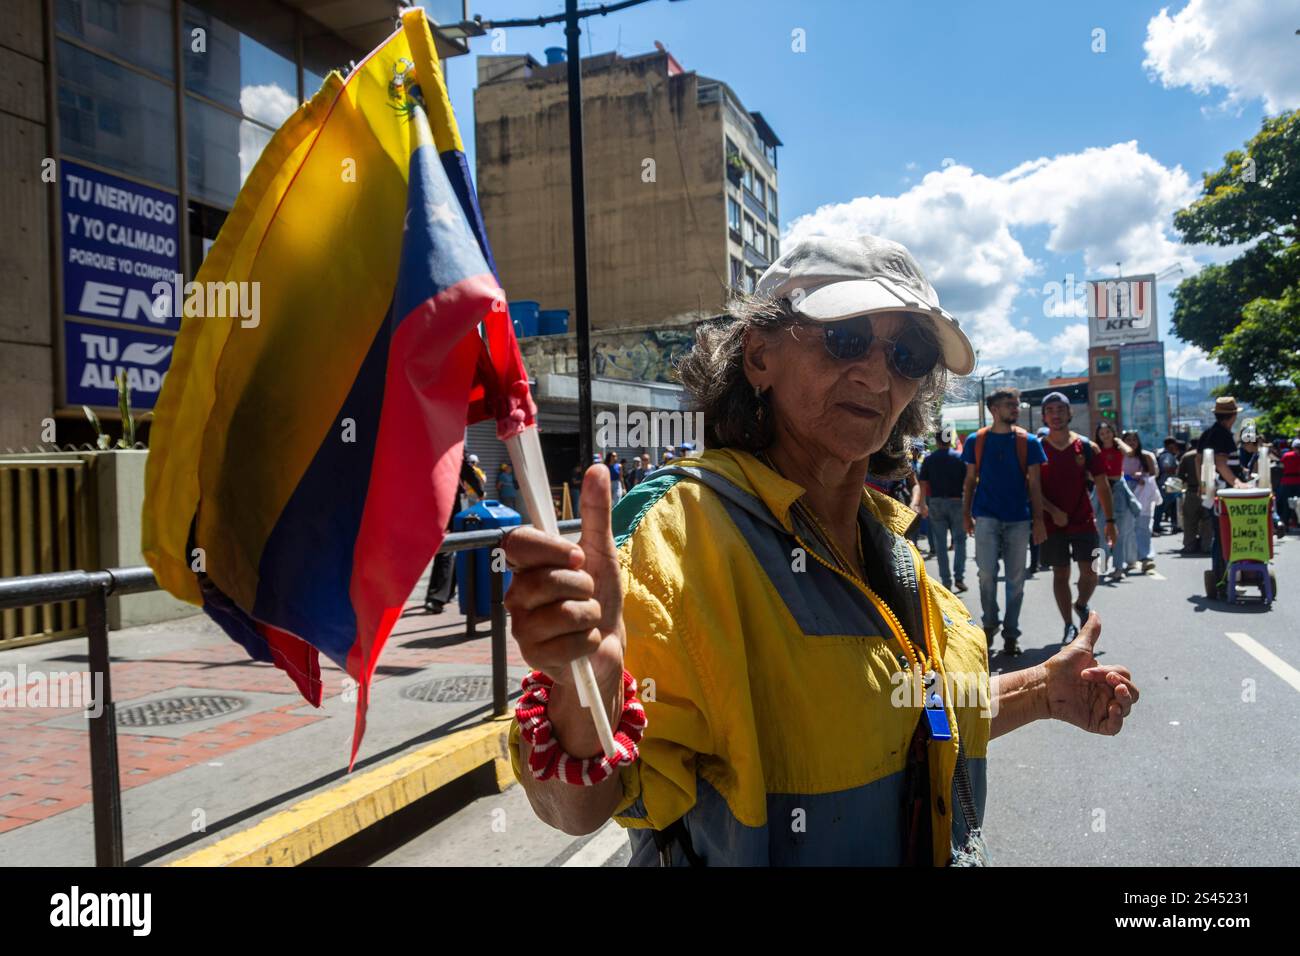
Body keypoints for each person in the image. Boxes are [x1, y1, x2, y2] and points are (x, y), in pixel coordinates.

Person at [501, 233, 1137, 866]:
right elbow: (573, 809)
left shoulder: (890, 550)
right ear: (759, 356)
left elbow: (916, 713)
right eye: (846, 338)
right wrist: (589, 691)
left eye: (908, 354)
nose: (876, 373)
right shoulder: (678, 535)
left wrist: (1041, 691)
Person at [961, 386, 1048, 656]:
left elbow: (1035, 485)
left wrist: (1039, 520)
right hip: (986, 516)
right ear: (994, 410)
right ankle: (990, 624)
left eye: (1017, 404)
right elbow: (969, 481)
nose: (1016, 408)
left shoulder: (1029, 442)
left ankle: (1011, 633)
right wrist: (965, 514)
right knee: (986, 575)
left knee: (1016, 580)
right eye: (1010, 404)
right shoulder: (977, 440)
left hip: (1019, 520)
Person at [1038, 392, 1117, 643]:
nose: (1056, 414)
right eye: (1050, 410)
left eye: (1061, 409)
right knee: (1060, 573)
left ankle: (1081, 603)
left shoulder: (1086, 447)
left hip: (1084, 520)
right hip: (1053, 524)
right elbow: (1032, 489)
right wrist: (1051, 512)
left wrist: (1111, 522)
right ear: (1044, 416)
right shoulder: (1037, 448)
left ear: (1070, 413)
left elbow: (1103, 485)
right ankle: (1068, 626)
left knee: (1093, 571)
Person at [1197, 396, 1248, 595]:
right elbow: (1220, 463)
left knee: (1221, 536)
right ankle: (1224, 579)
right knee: (1225, 536)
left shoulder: (1207, 434)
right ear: (1233, 416)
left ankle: (1223, 578)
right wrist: (1237, 483)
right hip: (1226, 493)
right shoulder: (1223, 435)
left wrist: (1202, 486)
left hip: (1213, 491)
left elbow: (1199, 460)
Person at [425, 454, 484, 613]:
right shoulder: (452, 441)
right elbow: (465, 468)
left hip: (430, 497)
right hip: (448, 500)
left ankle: (443, 593)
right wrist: (480, 492)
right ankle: (438, 597)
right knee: (448, 547)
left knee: (445, 547)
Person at [919, 425, 967, 592]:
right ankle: (959, 577)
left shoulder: (929, 459)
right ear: (951, 439)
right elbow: (968, 483)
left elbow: (923, 482)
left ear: (937, 440)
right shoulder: (960, 457)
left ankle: (946, 581)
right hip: (957, 502)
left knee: (940, 544)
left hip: (936, 503)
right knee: (960, 541)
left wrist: (922, 504)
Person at [1092, 422, 1139, 582]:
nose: (1105, 435)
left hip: (1117, 490)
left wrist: (1119, 441)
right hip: (1101, 489)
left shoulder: (1119, 447)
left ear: (1113, 433)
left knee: (1117, 533)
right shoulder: (1095, 449)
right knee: (1100, 531)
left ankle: (1119, 568)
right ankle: (1100, 567)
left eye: (1108, 432)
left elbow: (1131, 453)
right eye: (1102, 433)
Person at [1122, 431, 1161, 574]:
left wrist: (1141, 476)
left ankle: (1146, 558)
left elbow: (1153, 474)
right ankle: (1130, 559)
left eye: (1134, 439)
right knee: (1127, 528)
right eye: (1128, 439)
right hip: (1125, 494)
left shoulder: (1146, 456)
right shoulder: (1120, 456)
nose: (1131, 442)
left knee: (1143, 526)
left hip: (1143, 494)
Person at [1178, 443, 1212, 553]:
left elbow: (1180, 476)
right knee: (1208, 521)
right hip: (1209, 492)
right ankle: (1206, 546)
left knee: (1189, 521)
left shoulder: (1187, 456)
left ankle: (1189, 545)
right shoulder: (1212, 455)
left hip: (1192, 492)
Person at [1154, 438, 1182, 534]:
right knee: (1167, 506)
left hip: (1168, 484)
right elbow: (1167, 467)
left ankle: (1158, 525)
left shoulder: (1164, 454)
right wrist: (1177, 469)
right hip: (1168, 484)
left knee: (1163, 506)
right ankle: (1158, 526)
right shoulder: (1167, 455)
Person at [1281, 439, 1300, 532]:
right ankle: (1296, 523)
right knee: (1298, 504)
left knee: (1286, 504)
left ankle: (1286, 524)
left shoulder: (1286, 455)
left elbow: (1281, 466)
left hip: (1287, 481)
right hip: (1298, 481)